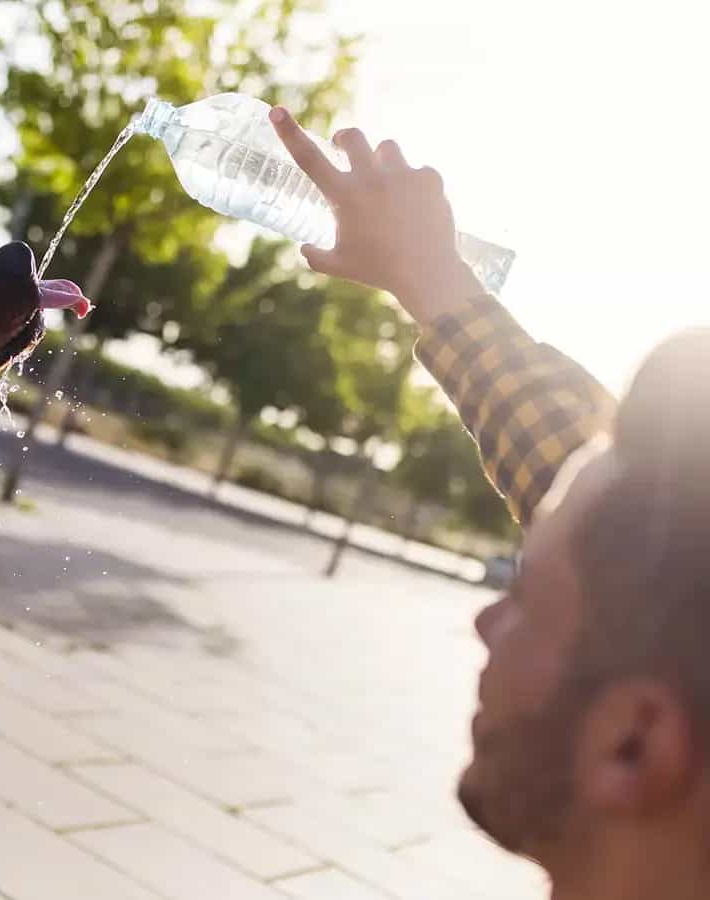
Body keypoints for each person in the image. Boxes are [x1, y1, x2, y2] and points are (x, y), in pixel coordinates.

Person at [270, 105, 710, 900]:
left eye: (524, 600)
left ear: (634, 743)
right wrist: (430, 278)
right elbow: (609, 510)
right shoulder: (664, 593)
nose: (482, 621)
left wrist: (433, 277)